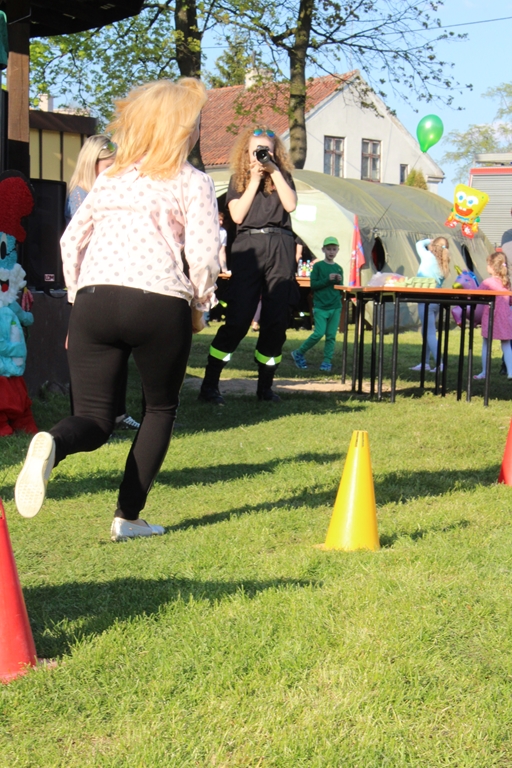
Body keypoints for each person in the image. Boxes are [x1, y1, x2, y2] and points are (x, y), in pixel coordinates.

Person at [14, 78, 220, 541]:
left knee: (93, 418)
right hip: (158, 300)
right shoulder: (193, 180)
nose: (198, 131)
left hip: (94, 299)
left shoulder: (110, 178)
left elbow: (71, 241)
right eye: (195, 123)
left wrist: (76, 298)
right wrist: (200, 302)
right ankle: (127, 517)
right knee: (160, 408)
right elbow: (205, 256)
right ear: (179, 128)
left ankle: (53, 442)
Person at [198, 126, 297, 404]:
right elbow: (238, 216)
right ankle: (210, 384)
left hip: (280, 244)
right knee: (239, 318)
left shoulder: (283, 176)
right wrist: (253, 180)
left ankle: (265, 388)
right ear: (246, 153)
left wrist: (273, 171)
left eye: (267, 150)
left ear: (276, 153)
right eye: (256, 151)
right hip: (248, 247)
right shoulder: (238, 180)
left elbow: (290, 206)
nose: (261, 155)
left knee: (276, 321)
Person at [65, 134, 140, 431]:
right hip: (88, 281)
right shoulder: (81, 195)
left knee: (118, 347)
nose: (114, 171)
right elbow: (76, 244)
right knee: (85, 352)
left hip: (111, 278)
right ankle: (84, 418)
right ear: (92, 163)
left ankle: (116, 414)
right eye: (109, 165)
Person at [291, 236, 343, 372]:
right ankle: (299, 352)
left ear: (338, 251)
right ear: (323, 250)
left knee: (331, 336)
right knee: (318, 333)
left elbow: (340, 288)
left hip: (335, 306)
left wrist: (339, 282)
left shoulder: (339, 268)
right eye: (329, 249)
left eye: (334, 249)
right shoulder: (318, 267)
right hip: (321, 306)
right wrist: (327, 280)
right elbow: (314, 285)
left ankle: (327, 361)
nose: (331, 252)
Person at [410, 236, 450, 372]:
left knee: (430, 333)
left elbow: (419, 244)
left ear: (433, 247)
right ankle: (425, 362)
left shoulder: (428, 256)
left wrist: (429, 240)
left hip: (425, 299)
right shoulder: (443, 262)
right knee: (427, 331)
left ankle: (440, 364)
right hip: (437, 300)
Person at [473, 251, 512, 380]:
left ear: (492, 267)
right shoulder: (506, 283)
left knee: (486, 343)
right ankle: (511, 371)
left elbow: (476, 295)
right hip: (505, 317)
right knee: (506, 344)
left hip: (490, 316)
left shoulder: (487, 282)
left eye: (488, 264)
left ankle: (484, 372)